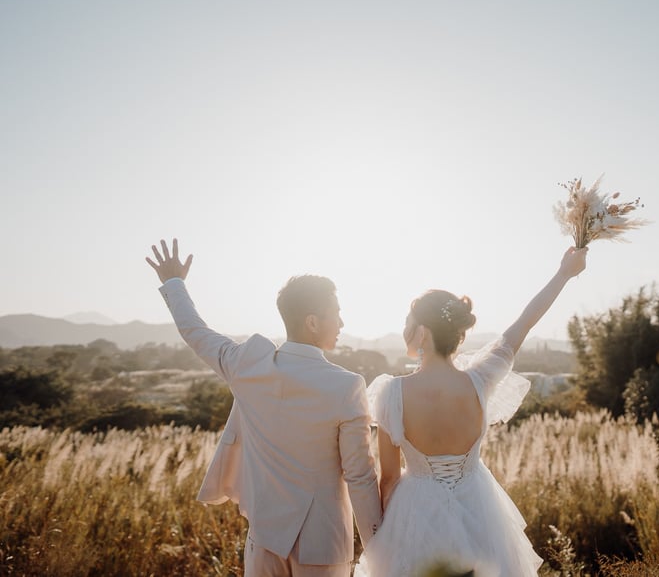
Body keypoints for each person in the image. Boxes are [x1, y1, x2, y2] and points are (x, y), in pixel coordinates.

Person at [146, 238, 381, 577]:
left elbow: (195, 331)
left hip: (263, 540)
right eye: (337, 314)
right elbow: (359, 475)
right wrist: (380, 545)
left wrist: (174, 283)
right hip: (322, 545)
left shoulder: (246, 365)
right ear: (312, 322)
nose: (342, 323)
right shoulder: (346, 386)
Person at [354, 246, 588, 577]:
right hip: (481, 508)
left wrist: (385, 539)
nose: (404, 327)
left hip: (417, 511)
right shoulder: (480, 380)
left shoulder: (392, 393)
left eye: (408, 321)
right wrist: (564, 273)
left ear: (423, 332)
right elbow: (523, 324)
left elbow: (389, 478)